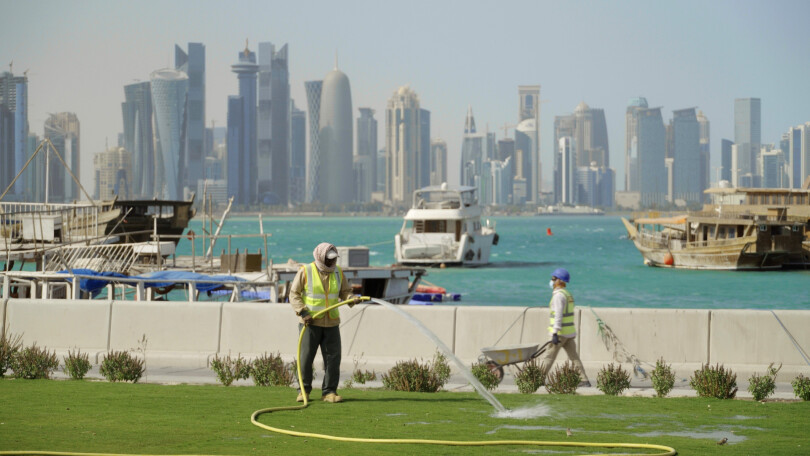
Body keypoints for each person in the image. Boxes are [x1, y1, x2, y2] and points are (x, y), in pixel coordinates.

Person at [289, 242, 357, 403]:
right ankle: (303, 391)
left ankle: (329, 392)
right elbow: (294, 294)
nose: (331, 261)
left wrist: (352, 298)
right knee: (305, 358)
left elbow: (345, 292)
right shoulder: (306, 271)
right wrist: (303, 312)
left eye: (333, 259)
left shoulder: (338, 272)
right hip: (310, 323)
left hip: (331, 323)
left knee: (333, 359)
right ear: (320, 257)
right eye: (329, 259)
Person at [539, 267, 591, 387]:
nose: (552, 281)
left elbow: (558, 315)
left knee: (549, 357)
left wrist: (555, 333)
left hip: (560, 334)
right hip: (569, 333)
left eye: (554, 278)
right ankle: (584, 380)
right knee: (574, 357)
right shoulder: (567, 294)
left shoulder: (558, 296)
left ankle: (538, 379)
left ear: (559, 281)